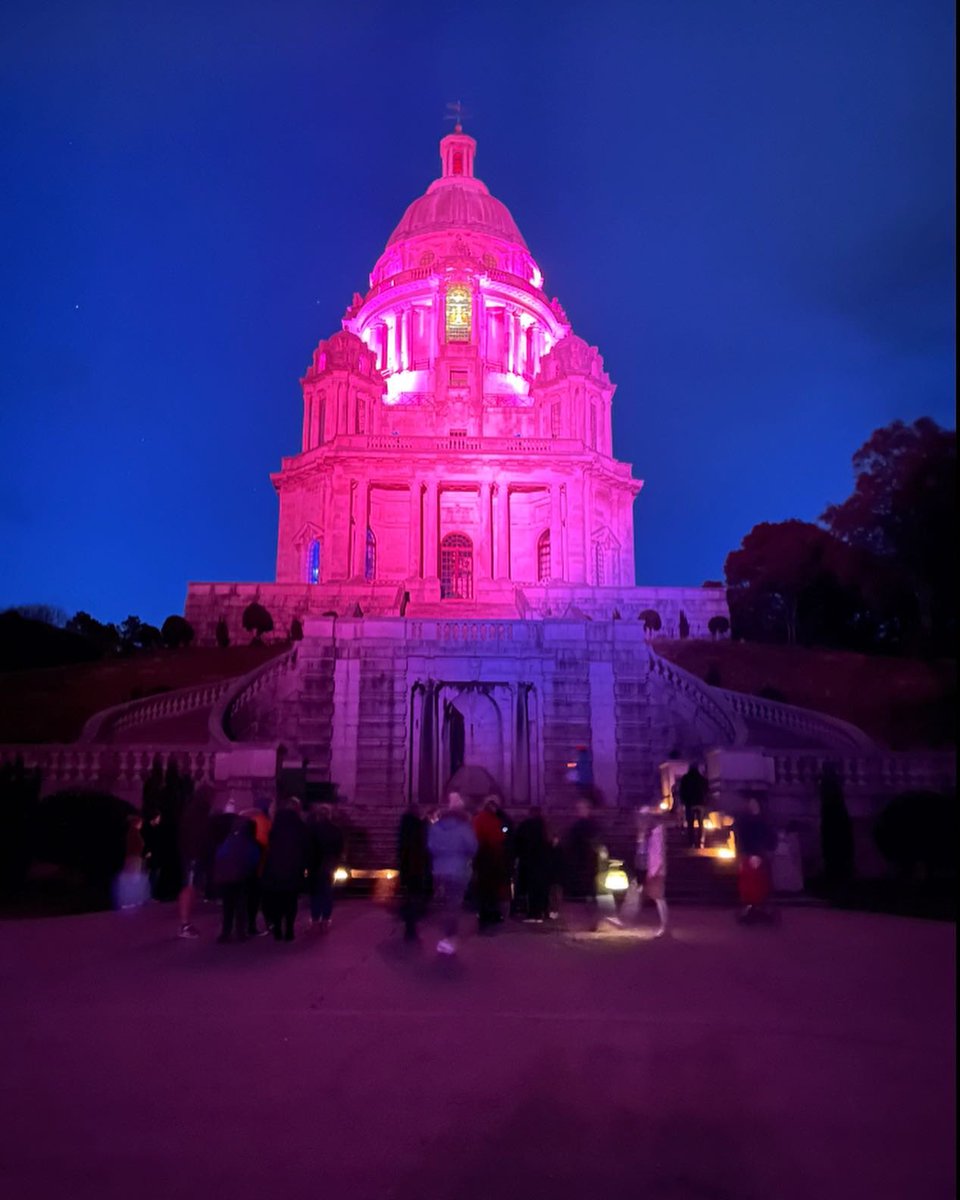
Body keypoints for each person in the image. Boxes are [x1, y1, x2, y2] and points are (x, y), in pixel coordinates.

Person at [427, 792, 478, 956]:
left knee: (445, 903)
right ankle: (450, 936)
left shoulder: (436, 827)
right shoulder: (464, 828)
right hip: (458, 870)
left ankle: (446, 933)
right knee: (454, 904)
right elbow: (472, 847)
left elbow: (431, 846)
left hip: (439, 869)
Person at [262, 801, 309, 941]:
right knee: (291, 901)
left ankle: (277, 929)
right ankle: (289, 930)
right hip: (293, 870)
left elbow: (269, 848)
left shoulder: (276, 828)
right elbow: (305, 849)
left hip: (275, 871)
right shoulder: (300, 828)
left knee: (277, 901)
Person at [212, 818, 260, 943]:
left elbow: (219, 855)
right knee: (240, 906)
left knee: (227, 907)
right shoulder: (249, 842)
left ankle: (225, 932)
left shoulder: (228, 840)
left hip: (226, 878)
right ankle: (240, 932)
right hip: (241, 877)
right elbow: (253, 859)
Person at [734, 796, 778, 921]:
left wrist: (767, 850)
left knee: (761, 881)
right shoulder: (745, 821)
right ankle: (751, 906)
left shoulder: (764, 820)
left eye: (755, 803)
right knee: (749, 882)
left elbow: (770, 836)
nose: (753, 806)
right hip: (750, 853)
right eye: (751, 803)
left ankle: (761, 906)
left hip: (761, 853)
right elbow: (742, 838)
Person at [177, 785, 212, 939]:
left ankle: (186, 923)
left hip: (193, 854)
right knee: (189, 887)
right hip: (193, 855)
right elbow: (196, 835)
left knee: (192, 887)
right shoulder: (197, 813)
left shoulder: (194, 811)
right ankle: (184, 924)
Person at [563, 798, 601, 931]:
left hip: (588, 863)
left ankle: (592, 920)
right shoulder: (579, 826)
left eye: (582, 808)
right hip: (581, 863)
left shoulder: (590, 825)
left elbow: (596, 843)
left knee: (590, 893)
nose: (580, 811)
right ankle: (588, 920)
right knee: (585, 894)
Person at [306, 803, 345, 932]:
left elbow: (307, 847)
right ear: (329, 815)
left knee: (315, 893)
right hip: (329, 864)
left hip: (314, 864)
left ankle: (315, 919)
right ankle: (326, 919)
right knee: (327, 892)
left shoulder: (311, 829)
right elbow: (339, 849)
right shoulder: (336, 829)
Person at [397, 802, 430, 943]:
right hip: (416, 867)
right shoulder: (418, 826)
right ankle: (411, 930)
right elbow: (423, 846)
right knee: (414, 899)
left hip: (407, 867)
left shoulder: (404, 825)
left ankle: (409, 929)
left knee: (410, 897)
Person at [473, 796, 507, 933]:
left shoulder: (477, 819)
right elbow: (500, 838)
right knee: (492, 892)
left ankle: (483, 921)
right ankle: (490, 920)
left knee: (483, 891)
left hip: (481, 859)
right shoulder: (494, 820)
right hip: (492, 859)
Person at [514, 807, 552, 922]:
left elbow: (518, 843)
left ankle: (533, 914)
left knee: (531, 890)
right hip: (542, 863)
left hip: (529, 862)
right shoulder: (544, 827)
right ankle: (542, 912)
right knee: (542, 889)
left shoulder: (525, 826)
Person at [242, 797, 272, 936]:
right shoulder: (265, 822)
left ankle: (241, 926)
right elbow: (268, 843)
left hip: (245, 865)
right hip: (260, 865)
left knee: (246, 898)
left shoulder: (246, 818)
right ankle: (257, 925)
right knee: (258, 897)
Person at [636, 807, 669, 936]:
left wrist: (653, 871)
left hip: (655, 869)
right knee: (656, 897)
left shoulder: (656, 833)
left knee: (659, 898)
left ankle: (664, 926)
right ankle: (663, 925)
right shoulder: (650, 833)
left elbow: (658, 854)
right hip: (650, 868)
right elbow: (642, 851)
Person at [678, 763, 709, 848]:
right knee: (700, 824)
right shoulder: (702, 779)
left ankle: (691, 842)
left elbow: (681, 791)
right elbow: (707, 790)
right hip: (700, 803)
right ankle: (700, 842)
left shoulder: (685, 778)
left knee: (690, 824)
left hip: (689, 803)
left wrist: (683, 801)